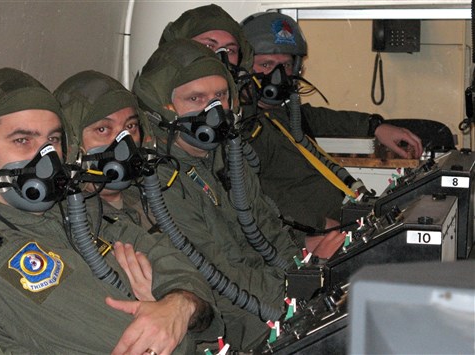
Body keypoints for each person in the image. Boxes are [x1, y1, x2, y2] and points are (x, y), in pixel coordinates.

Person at [0, 67, 222, 354]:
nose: (46, 158)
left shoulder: (78, 212)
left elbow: (188, 276)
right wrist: (165, 310)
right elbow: (135, 344)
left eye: (52, 141)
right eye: (22, 141)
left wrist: (179, 303)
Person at [132, 38, 347, 351]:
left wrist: (307, 276)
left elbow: (269, 228)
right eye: (196, 98)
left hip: (275, 302)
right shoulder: (160, 183)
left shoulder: (228, 157)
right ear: (160, 109)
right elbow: (219, 275)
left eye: (220, 96)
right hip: (242, 324)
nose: (214, 109)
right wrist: (297, 295)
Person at [238, 12, 424, 233]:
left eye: (286, 65)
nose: (278, 75)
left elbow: (325, 119)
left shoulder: (284, 114)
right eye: (266, 64)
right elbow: (261, 194)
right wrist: (320, 226)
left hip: (343, 217)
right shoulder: (243, 129)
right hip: (312, 232)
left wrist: (376, 126)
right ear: (245, 67)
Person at [54, 70, 157, 231]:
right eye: (102, 129)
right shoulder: (73, 223)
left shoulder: (150, 197)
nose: (124, 142)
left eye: (130, 127)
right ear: (70, 143)